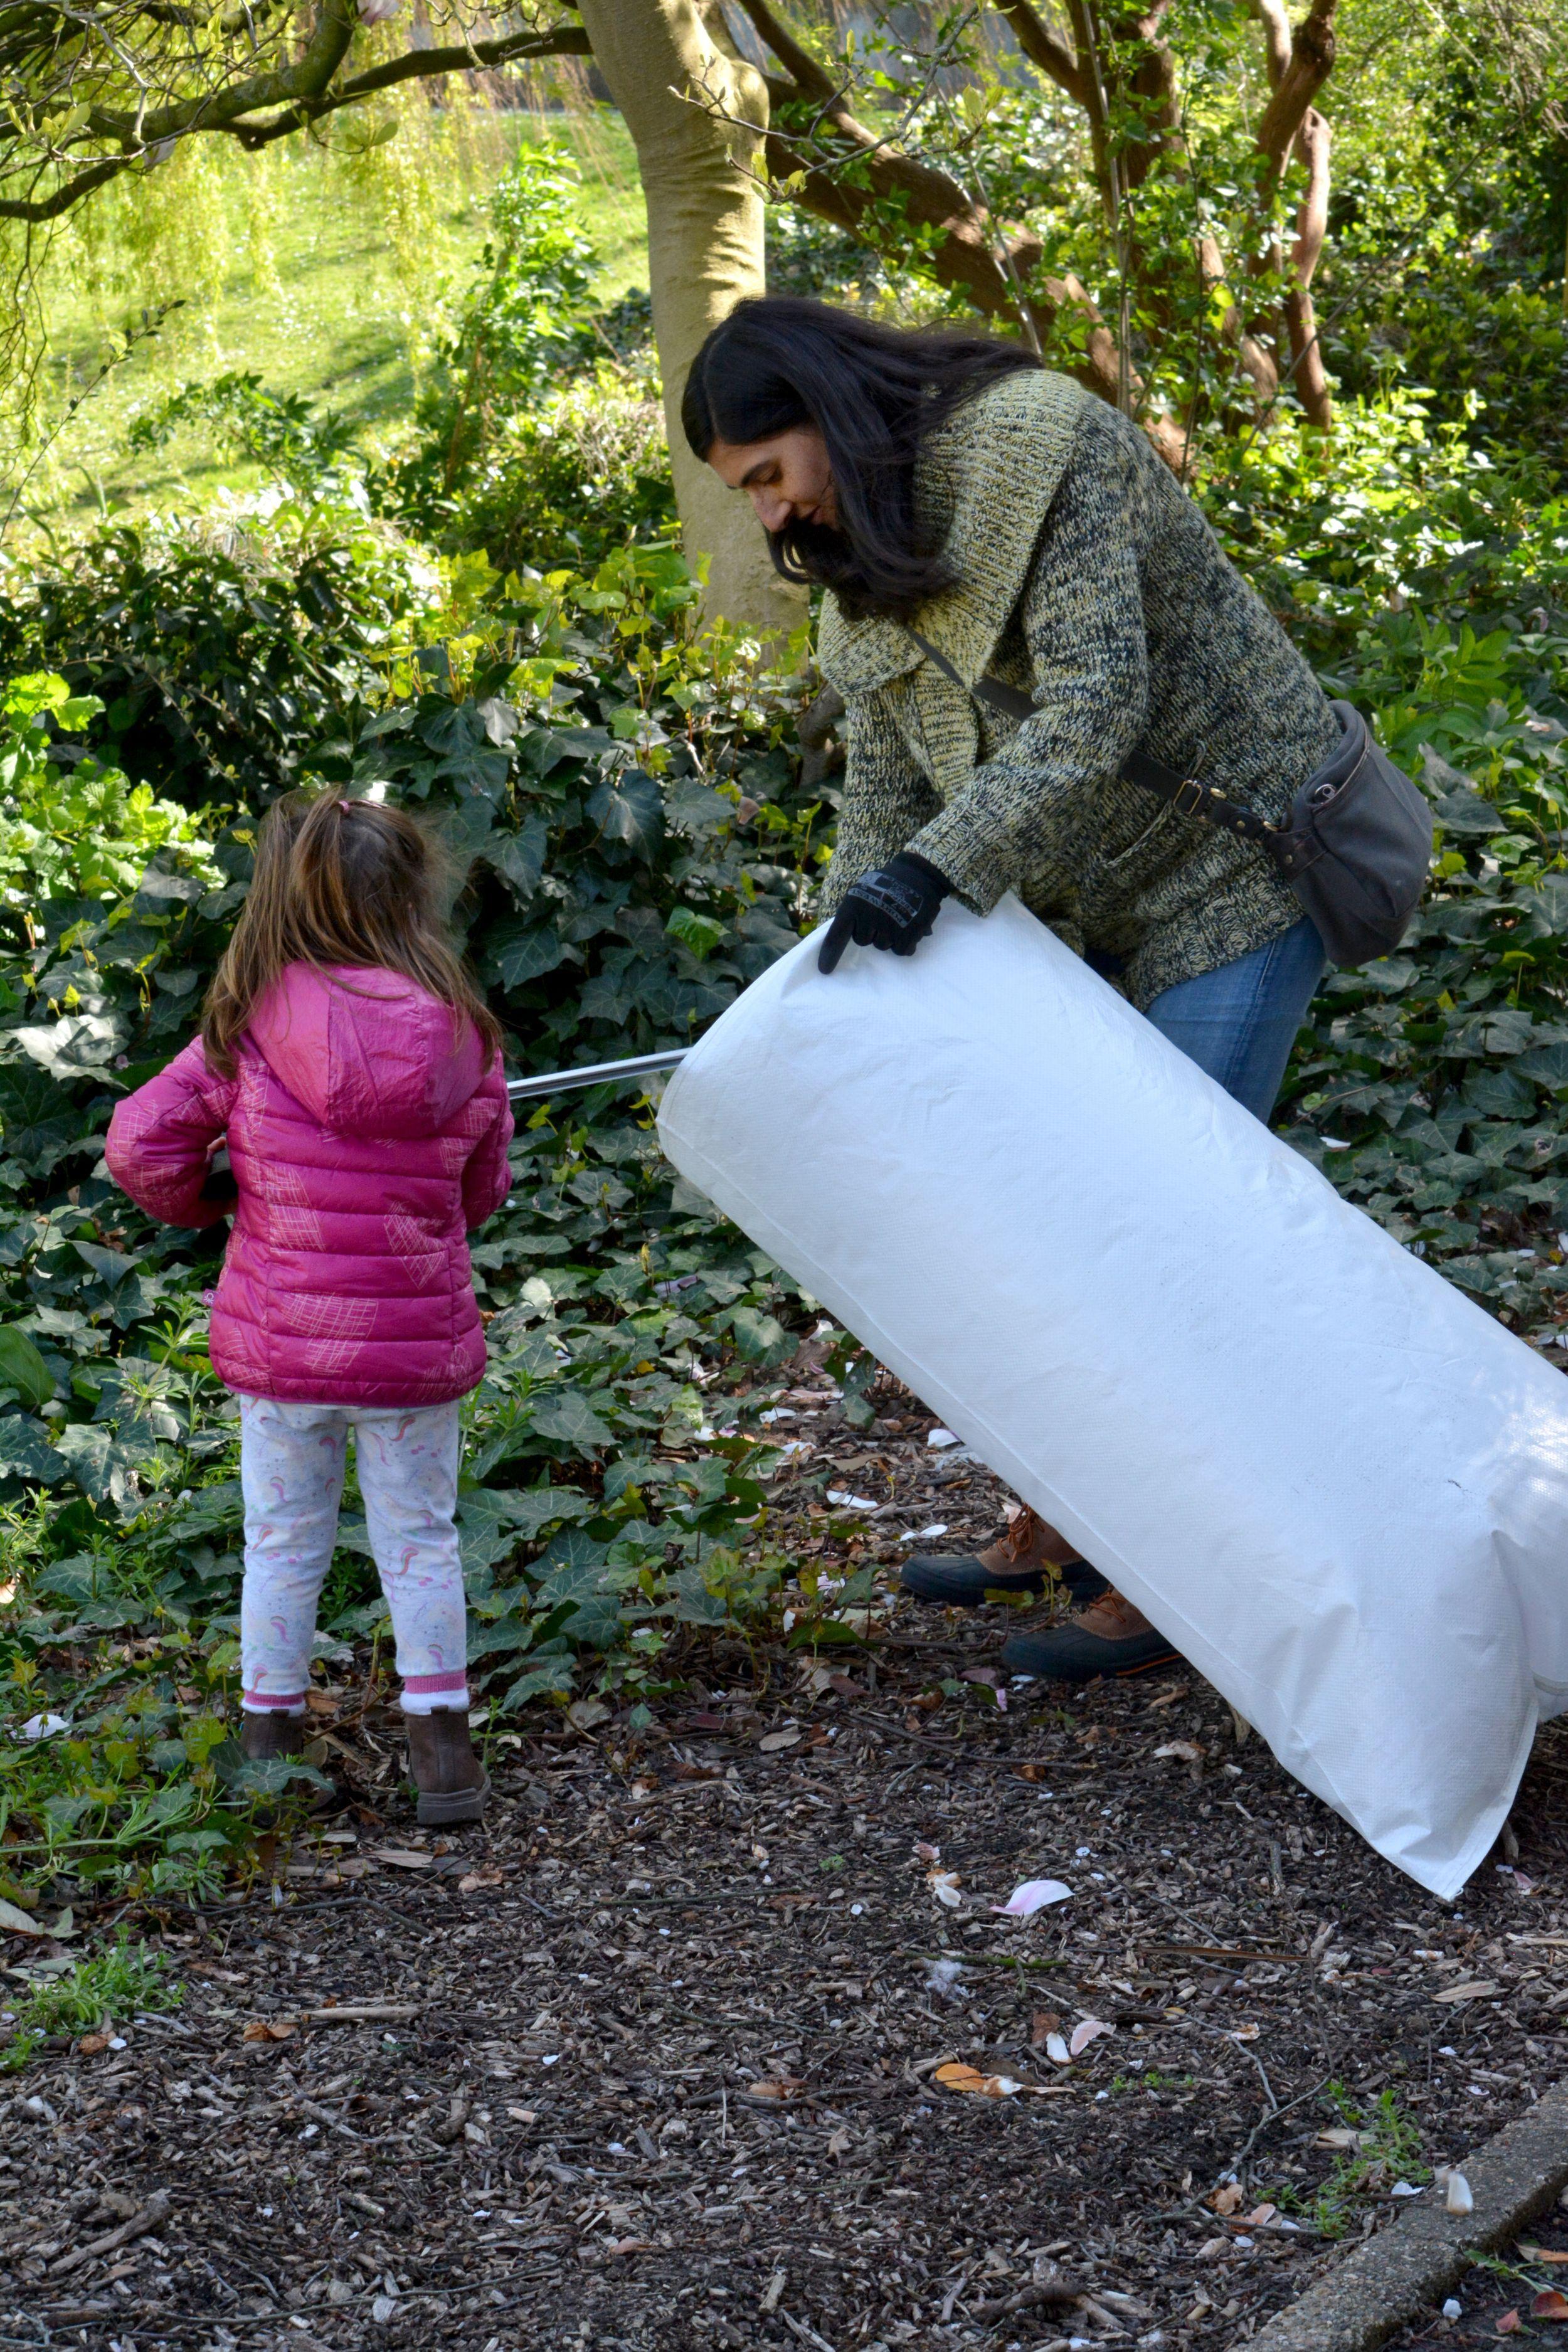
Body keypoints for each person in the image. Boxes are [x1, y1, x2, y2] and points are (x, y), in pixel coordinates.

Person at [684, 295, 1340, 1685]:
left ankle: (1177, 1577)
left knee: (1173, 1237)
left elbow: (1093, 706)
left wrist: (930, 876)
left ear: (826, 421)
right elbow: (879, 777)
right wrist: (836, 962)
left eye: (766, 477)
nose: (766, 517)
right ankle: (1069, 1516)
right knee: (1059, 1224)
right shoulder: (861, 547)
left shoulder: (1044, 446)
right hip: (1078, 911)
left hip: (1234, 876)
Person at [105, 792, 513, 1821]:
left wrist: (215, 1196)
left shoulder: (247, 1027)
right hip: (411, 1355)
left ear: (286, 900)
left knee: (283, 1544)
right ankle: (445, 1761)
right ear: (411, 898)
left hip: (286, 1349)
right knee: (421, 1541)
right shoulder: (466, 1035)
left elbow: (138, 1144)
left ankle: (266, 1752)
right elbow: (481, 1192)